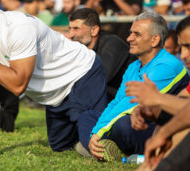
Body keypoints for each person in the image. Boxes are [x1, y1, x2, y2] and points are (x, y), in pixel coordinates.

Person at [0, 0, 108, 155]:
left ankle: (121, 129)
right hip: (54, 95)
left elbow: (18, 86)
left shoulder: (18, 28)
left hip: (80, 74)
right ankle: (87, 125)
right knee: (60, 145)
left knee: (94, 143)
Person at [76, 12, 189, 161]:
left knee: (124, 124)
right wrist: (95, 133)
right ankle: (101, 148)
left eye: (136, 34)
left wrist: (98, 132)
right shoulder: (134, 66)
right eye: (130, 33)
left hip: (157, 128)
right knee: (87, 116)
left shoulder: (168, 65)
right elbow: (118, 101)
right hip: (136, 119)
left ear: (154, 40)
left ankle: (102, 149)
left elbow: (133, 103)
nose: (129, 38)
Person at [124, 16, 190, 171]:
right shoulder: (133, 67)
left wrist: (157, 99)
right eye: (182, 48)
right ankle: (148, 168)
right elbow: (183, 101)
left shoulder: (168, 65)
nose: (184, 55)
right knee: (165, 113)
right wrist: (149, 109)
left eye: (189, 46)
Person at [68, 8, 135, 101]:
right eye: (70, 29)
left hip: (131, 101)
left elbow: (100, 78)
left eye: (76, 29)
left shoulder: (112, 44)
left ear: (94, 30)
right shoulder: (81, 49)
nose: (70, 35)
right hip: (112, 99)